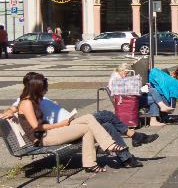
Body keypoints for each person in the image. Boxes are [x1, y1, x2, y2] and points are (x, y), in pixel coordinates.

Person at [11, 72, 139, 172]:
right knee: (88, 127)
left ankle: (101, 154)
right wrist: (60, 124)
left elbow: (17, 108)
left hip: (52, 131)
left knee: (89, 118)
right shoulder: (27, 103)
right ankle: (101, 153)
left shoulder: (32, 100)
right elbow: (36, 127)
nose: (46, 91)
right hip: (43, 137)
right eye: (44, 89)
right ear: (36, 89)